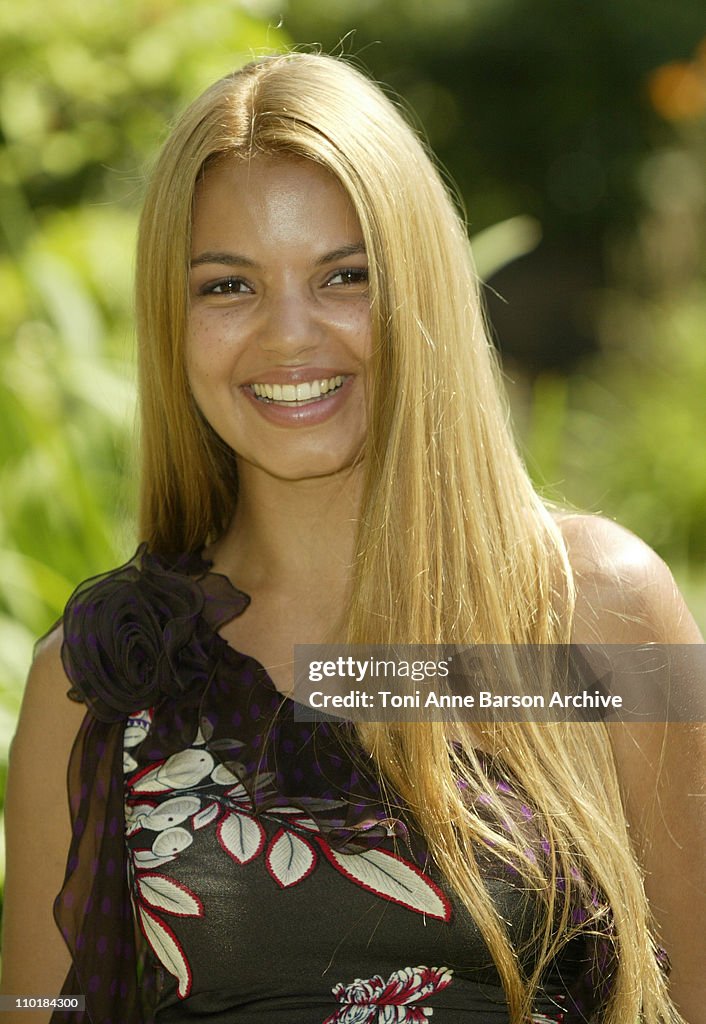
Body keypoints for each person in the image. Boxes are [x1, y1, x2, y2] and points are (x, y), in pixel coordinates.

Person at [1, 51, 704, 1024]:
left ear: (420, 291)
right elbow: (40, 1005)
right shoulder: (98, 680)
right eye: (226, 286)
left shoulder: (600, 610)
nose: (290, 336)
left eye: (344, 276)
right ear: (172, 315)